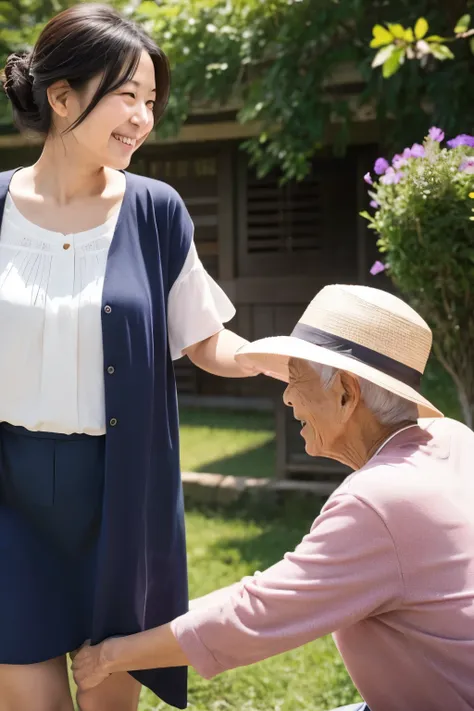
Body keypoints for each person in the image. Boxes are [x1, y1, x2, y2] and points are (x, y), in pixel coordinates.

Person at [0, 5, 259, 711]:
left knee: (109, 698)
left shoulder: (156, 210)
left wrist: (268, 357)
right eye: (127, 96)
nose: (143, 117)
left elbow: (206, 336)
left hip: (120, 504)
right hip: (11, 502)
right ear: (61, 98)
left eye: (151, 101)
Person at [74, 284, 474, 711]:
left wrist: (107, 657)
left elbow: (254, 614)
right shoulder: (453, 439)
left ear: (346, 392)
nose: (286, 396)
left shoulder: (381, 502)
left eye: (296, 379)